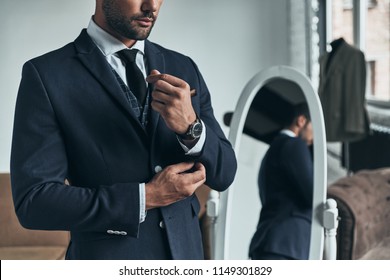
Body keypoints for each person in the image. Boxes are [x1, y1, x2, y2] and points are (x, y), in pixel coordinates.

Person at [10, 0, 237, 260]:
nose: (151, 6)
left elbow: (224, 173)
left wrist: (191, 127)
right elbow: (34, 203)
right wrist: (145, 197)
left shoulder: (184, 67)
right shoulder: (46, 76)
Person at [248, 103, 313, 260]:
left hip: (269, 240)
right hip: (286, 243)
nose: (314, 136)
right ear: (301, 121)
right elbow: (313, 195)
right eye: (314, 127)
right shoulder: (295, 145)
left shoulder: (273, 149)